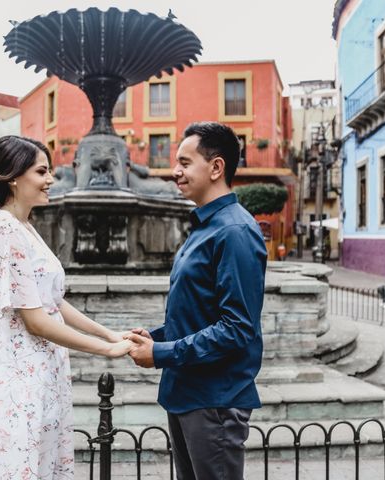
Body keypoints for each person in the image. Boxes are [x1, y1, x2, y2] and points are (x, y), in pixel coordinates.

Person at [0, 135, 133, 479]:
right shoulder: (5, 227)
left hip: (42, 367)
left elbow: (53, 303)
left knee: (42, 461)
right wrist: (106, 350)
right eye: (42, 171)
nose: (51, 180)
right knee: (23, 464)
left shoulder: (24, 225)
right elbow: (36, 322)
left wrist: (109, 333)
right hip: (23, 369)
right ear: (14, 176)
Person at [126, 122, 267, 480]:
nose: (175, 171)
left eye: (185, 163)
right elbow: (201, 311)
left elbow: (237, 328)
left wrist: (161, 353)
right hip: (189, 393)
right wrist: (156, 337)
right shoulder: (206, 226)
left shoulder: (234, 231)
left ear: (216, 168)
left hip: (215, 400)